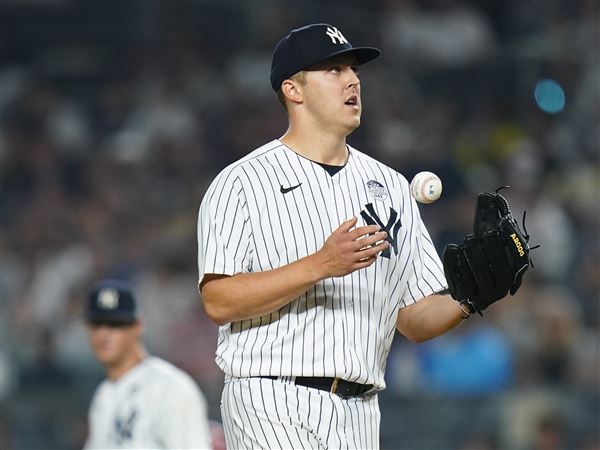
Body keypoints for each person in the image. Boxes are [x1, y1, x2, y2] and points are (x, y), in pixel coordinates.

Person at [196, 23, 475, 449]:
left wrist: (471, 296)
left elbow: (414, 319)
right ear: (294, 89)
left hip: (361, 413)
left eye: (353, 69)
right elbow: (218, 300)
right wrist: (321, 264)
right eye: (334, 69)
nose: (353, 80)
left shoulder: (392, 186)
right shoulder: (241, 183)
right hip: (271, 398)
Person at [84, 279, 212, 449]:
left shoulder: (169, 387)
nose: (104, 334)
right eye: (97, 324)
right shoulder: (103, 395)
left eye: (116, 324)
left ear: (138, 326)